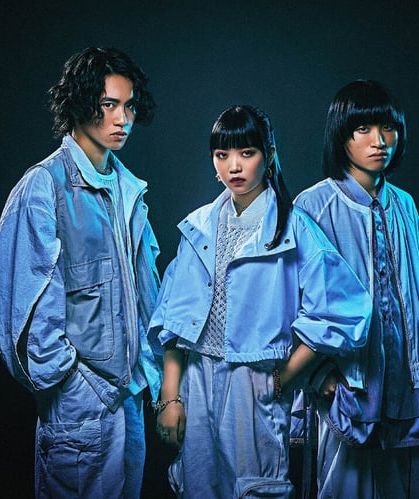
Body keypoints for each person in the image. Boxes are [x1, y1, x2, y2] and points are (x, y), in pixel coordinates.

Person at [148, 105, 372, 498]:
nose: (234, 166)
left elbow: (344, 310)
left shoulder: (294, 228)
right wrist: (170, 396)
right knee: (196, 487)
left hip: (254, 383)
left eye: (246, 153)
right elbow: (172, 318)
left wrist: (286, 377)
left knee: (256, 488)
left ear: (269, 155)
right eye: (222, 155)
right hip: (196, 378)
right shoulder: (198, 228)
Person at [0, 47, 162, 498]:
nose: (122, 119)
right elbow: (23, 310)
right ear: (81, 103)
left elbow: (143, 298)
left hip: (128, 401)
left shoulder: (126, 188)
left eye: (129, 106)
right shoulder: (43, 186)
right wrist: (73, 388)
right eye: (108, 105)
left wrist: (149, 380)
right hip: (79, 410)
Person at [294, 79, 419, 498]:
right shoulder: (314, 206)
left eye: (388, 128)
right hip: (348, 379)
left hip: (403, 376)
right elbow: (292, 302)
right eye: (363, 129)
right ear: (341, 135)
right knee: (345, 482)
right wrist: (319, 375)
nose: (379, 141)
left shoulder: (404, 204)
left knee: (410, 479)